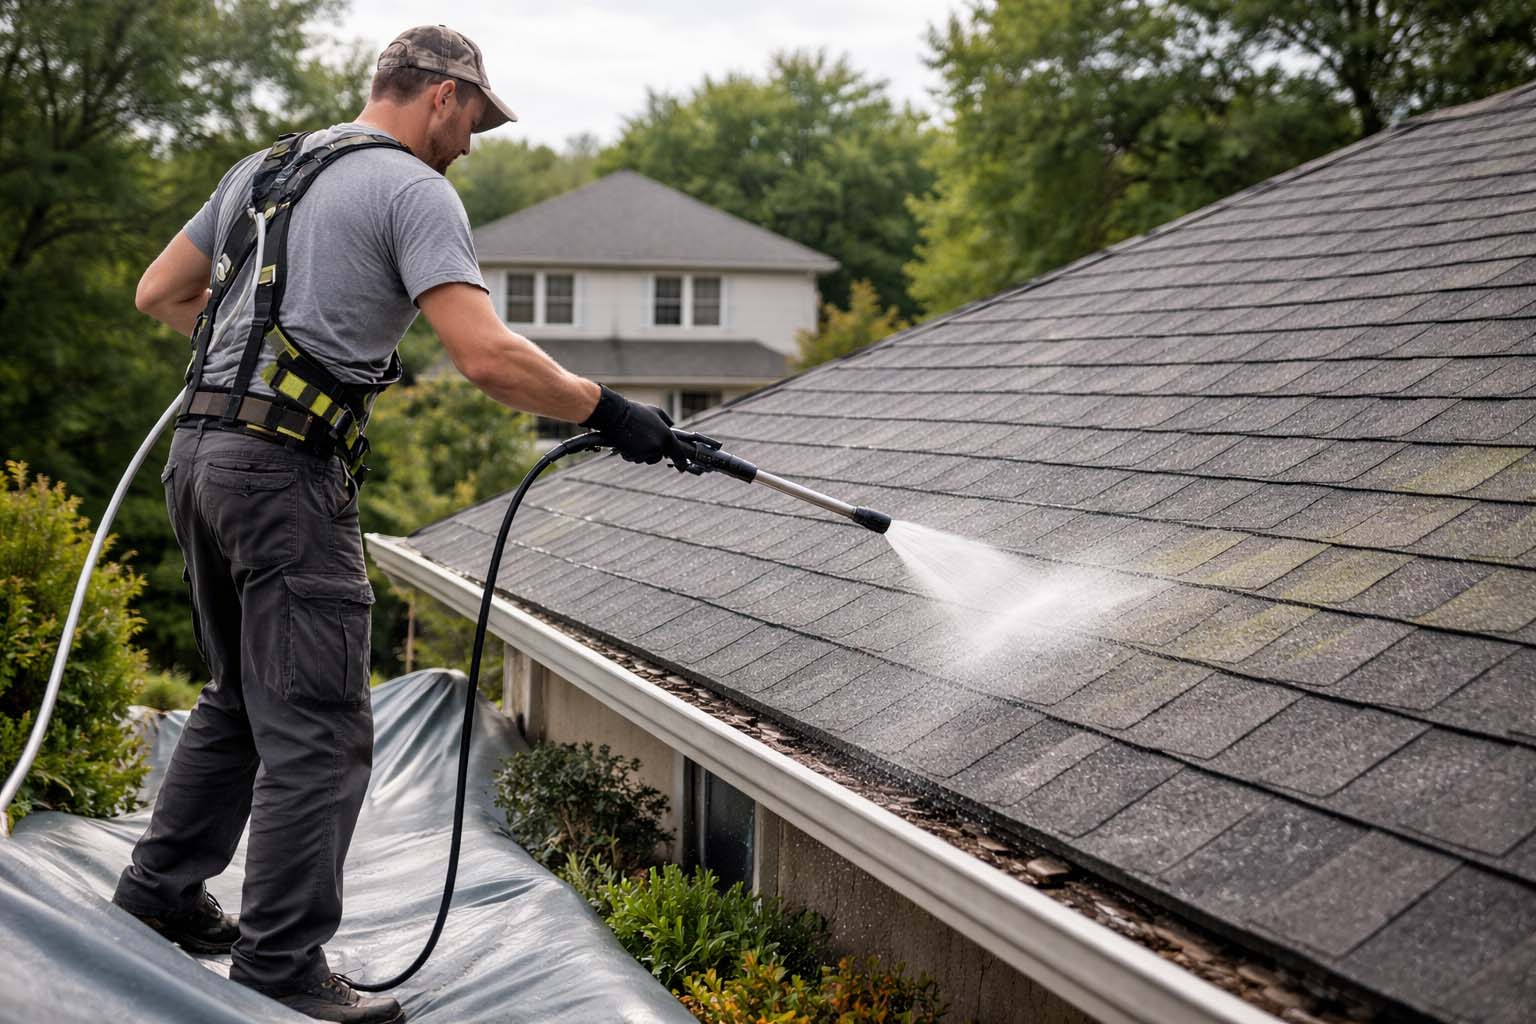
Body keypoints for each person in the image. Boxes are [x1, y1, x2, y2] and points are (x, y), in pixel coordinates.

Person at [110, 25, 688, 1024]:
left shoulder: (267, 167)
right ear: (440, 96)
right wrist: (608, 409)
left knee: (240, 696)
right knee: (322, 730)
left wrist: (289, 353)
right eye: (474, 120)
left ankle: (158, 893)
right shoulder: (417, 191)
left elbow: (160, 293)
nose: (472, 143)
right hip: (285, 474)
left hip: (199, 456)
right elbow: (488, 357)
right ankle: (282, 965)